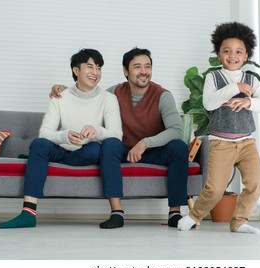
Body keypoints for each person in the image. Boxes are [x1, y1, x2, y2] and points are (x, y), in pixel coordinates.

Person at [50, 47, 189, 229]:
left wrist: (145, 143)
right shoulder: (114, 92)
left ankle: (175, 213)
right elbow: (88, 97)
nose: (144, 71)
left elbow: (176, 130)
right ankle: (117, 212)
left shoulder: (163, 96)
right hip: (122, 150)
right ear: (126, 71)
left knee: (179, 147)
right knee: (109, 143)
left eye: (147, 66)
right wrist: (64, 90)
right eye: (137, 67)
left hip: (154, 150)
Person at [0, 48, 123, 229]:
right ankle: (28, 213)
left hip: (87, 151)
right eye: (90, 67)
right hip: (63, 147)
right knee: (38, 144)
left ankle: (37, 160)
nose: (95, 72)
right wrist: (64, 135)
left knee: (94, 149)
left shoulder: (108, 99)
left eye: (98, 68)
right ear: (76, 70)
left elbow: (116, 134)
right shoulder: (60, 96)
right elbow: (45, 133)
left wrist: (97, 131)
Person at [177, 22, 260, 233]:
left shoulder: (251, 80)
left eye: (239, 52)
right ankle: (193, 216)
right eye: (226, 51)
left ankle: (239, 222)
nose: (232, 56)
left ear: (246, 56)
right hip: (221, 143)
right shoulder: (213, 77)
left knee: (256, 183)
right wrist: (234, 88)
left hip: (246, 142)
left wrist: (249, 102)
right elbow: (209, 103)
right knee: (215, 189)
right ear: (219, 54)